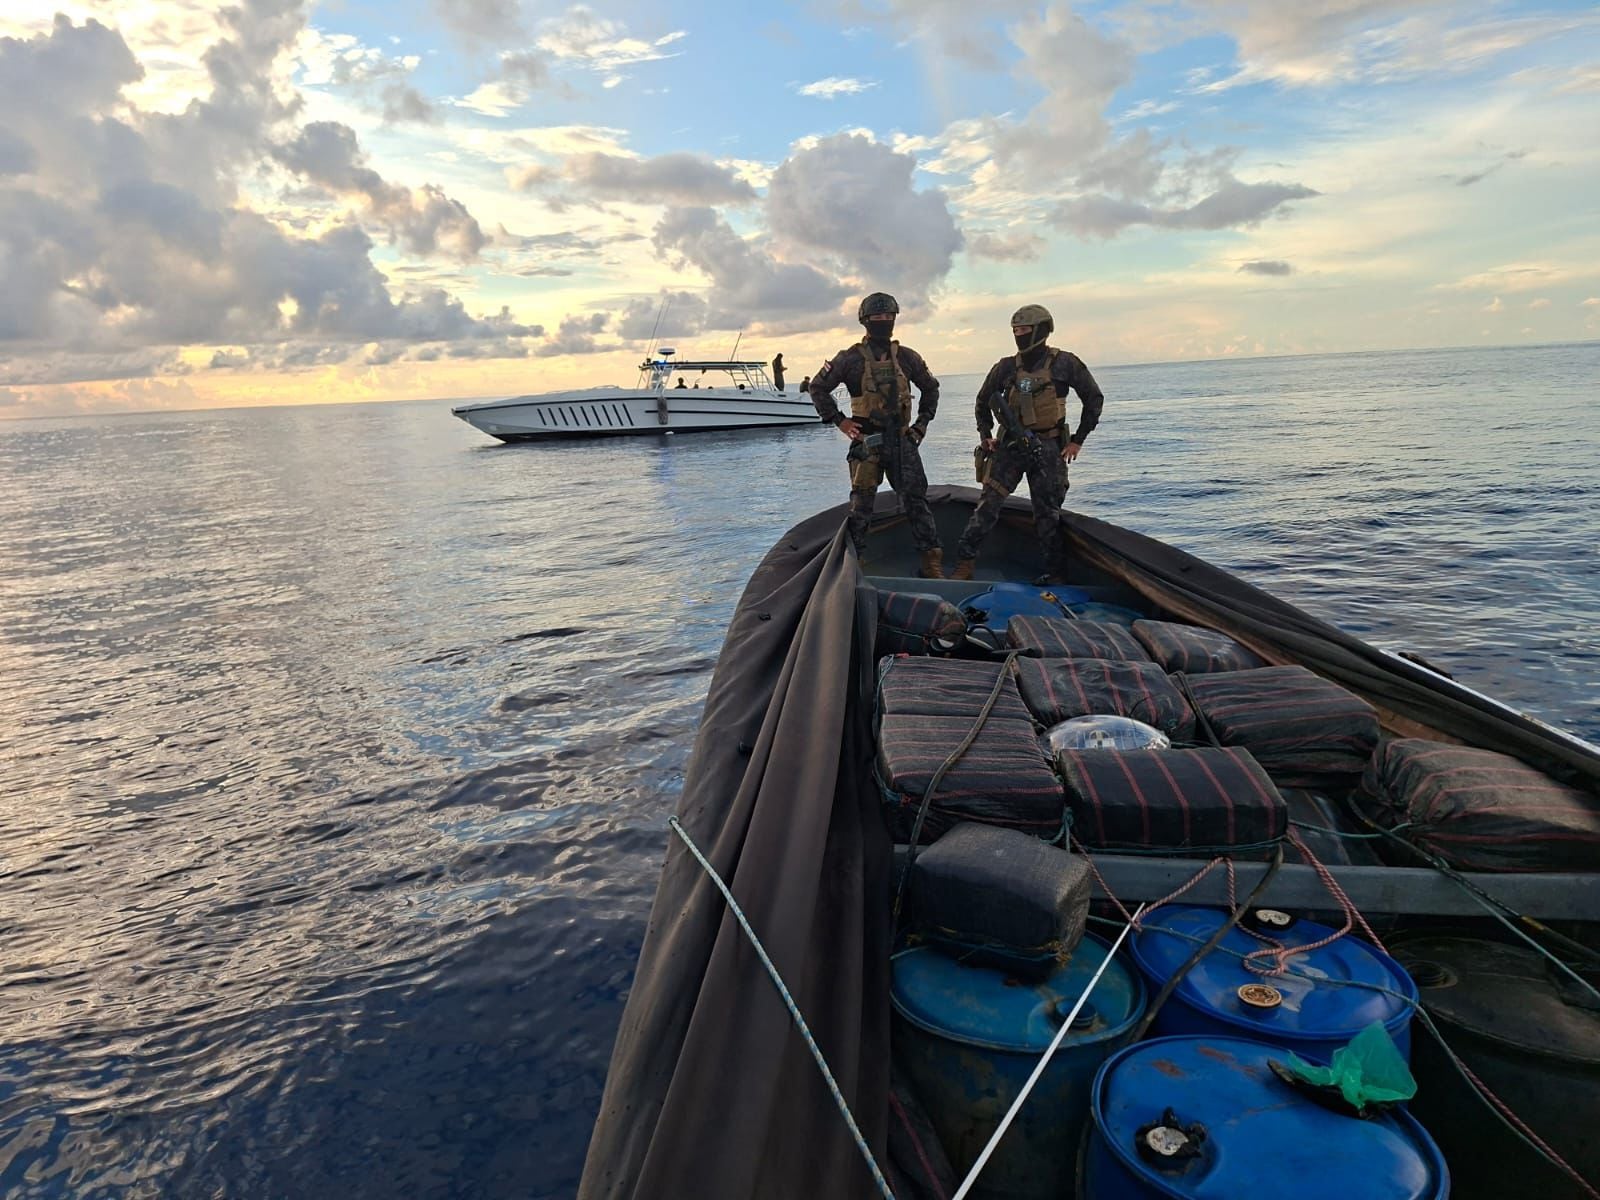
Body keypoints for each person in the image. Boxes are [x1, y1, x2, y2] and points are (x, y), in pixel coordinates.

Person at [948, 303, 1104, 582]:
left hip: (1048, 448)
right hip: (1009, 447)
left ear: (1041, 330)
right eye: (1015, 330)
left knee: (1048, 515)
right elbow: (983, 401)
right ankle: (965, 563)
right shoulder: (1005, 367)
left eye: (1024, 330)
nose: (1019, 335)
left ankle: (1055, 574)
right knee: (988, 505)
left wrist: (1078, 440)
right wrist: (985, 436)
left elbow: (1094, 399)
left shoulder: (1065, 363)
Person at [808, 293, 944, 578]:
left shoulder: (907, 357)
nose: (884, 322)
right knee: (861, 507)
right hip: (867, 442)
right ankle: (853, 567)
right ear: (865, 321)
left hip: (902, 441)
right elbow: (818, 387)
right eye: (877, 318)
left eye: (888, 317)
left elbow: (930, 389)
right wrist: (840, 421)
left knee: (917, 503)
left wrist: (921, 425)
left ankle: (932, 563)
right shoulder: (849, 360)